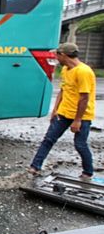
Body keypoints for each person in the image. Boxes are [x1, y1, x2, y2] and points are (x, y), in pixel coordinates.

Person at [28, 42, 96, 180]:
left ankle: (88, 172)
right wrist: (55, 109)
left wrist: (77, 120)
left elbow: (84, 98)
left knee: (80, 144)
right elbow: (63, 90)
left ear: (63, 55)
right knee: (48, 139)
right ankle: (35, 166)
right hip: (64, 112)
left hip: (82, 116)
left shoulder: (83, 72)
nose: (56, 58)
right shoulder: (66, 69)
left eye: (57, 55)